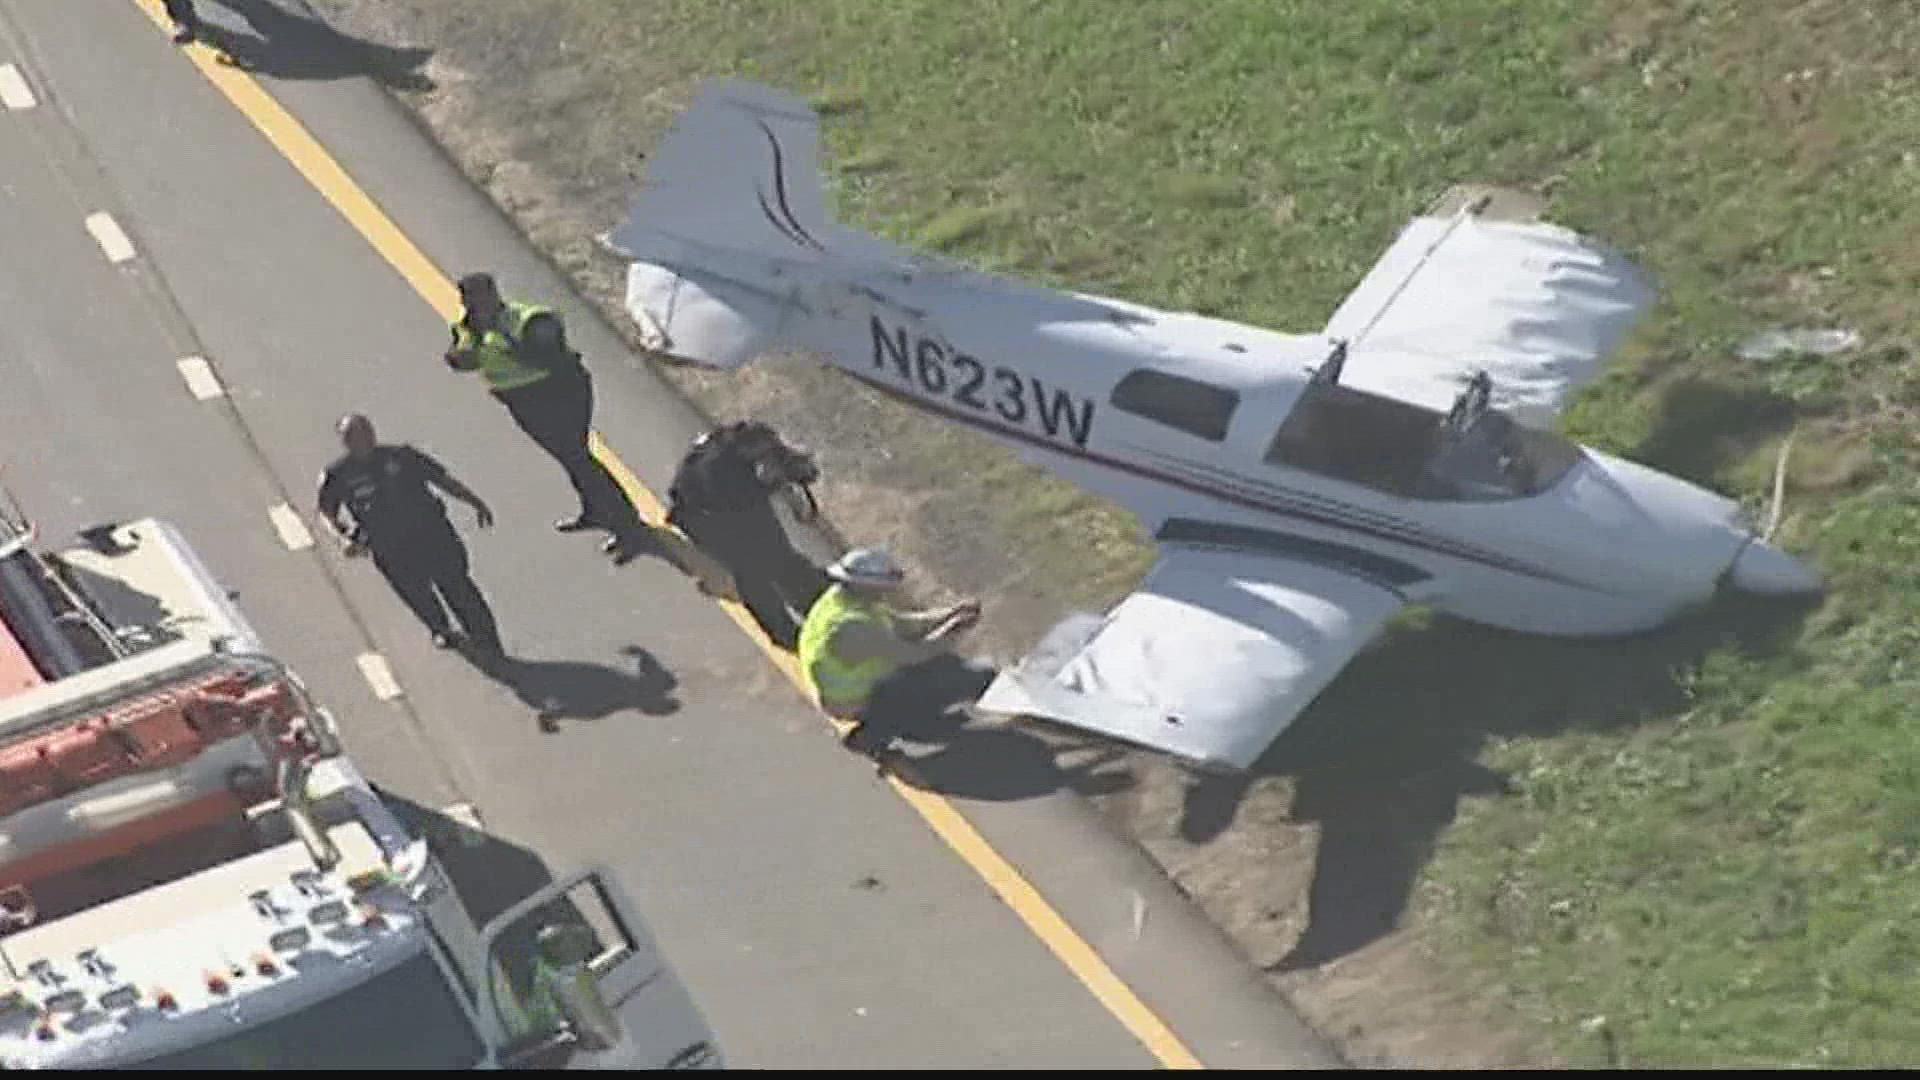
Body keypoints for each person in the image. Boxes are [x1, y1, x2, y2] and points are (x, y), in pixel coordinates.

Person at [444, 271, 648, 563]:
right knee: (570, 458)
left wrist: (502, 342)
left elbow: (550, 357)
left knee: (578, 457)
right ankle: (596, 510)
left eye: (477, 297)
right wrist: (462, 356)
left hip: (559, 394)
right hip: (524, 404)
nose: (472, 305)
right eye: (467, 299)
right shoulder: (469, 329)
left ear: (492, 294)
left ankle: (630, 528)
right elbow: (458, 357)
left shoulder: (529, 320)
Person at [316, 413, 502, 654]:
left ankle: (487, 641)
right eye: (354, 436)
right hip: (390, 547)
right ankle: (441, 629)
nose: (363, 440)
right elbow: (325, 512)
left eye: (366, 432)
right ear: (345, 442)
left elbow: (442, 480)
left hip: (432, 533)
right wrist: (340, 538)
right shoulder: (338, 474)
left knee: (458, 585)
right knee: (417, 593)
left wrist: (475, 502)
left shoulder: (401, 456)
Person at [796, 548, 989, 762]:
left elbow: (902, 624)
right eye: (884, 584)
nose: (889, 589)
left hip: (841, 685)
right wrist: (955, 630)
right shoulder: (852, 627)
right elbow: (914, 655)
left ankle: (913, 719)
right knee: (931, 683)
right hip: (849, 698)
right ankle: (874, 735)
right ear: (866, 584)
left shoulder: (845, 599)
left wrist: (949, 613)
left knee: (943, 669)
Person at [666, 421, 829, 649]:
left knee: (781, 556)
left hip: (733, 503)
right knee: (753, 575)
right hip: (702, 517)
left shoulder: (747, 439)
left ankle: (815, 600)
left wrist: (794, 468)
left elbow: (792, 464)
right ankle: (786, 635)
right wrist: (774, 483)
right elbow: (745, 500)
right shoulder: (718, 470)